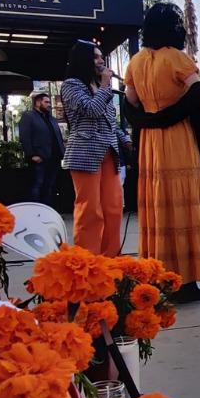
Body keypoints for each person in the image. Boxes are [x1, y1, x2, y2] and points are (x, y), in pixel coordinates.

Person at [123, 1, 200, 302]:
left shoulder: (136, 62)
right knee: (183, 203)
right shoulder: (177, 58)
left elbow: (129, 103)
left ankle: (157, 276)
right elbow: (199, 91)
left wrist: (149, 120)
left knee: (157, 206)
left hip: (150, 145)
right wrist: (171, 115)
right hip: (178, 139)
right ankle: (186, 281)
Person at [60, 40, 124, 258]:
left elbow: (110, 122)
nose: (101, 60)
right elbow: (91, 111)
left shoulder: (99, 87)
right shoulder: (71, 85)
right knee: (90, 211)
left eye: (101, 56)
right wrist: (106, 86)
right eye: (96, 57)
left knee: (113, 207)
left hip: (109, 152)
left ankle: (110, 262)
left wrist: (126, 139)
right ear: (84, 59)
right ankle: (88, 263)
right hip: (85, 152)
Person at [18, 91, 64, 205]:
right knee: (37, 185)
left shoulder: (51, 118)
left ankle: (48, 211)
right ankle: (35, 212)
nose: (49, 104)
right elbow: (25, 136)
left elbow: (57, 136)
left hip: (54, 158)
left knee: (49, 186)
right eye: (46, 102)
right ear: (38, 102)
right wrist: (31, 154)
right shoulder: (28, 116)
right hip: (39, 157)